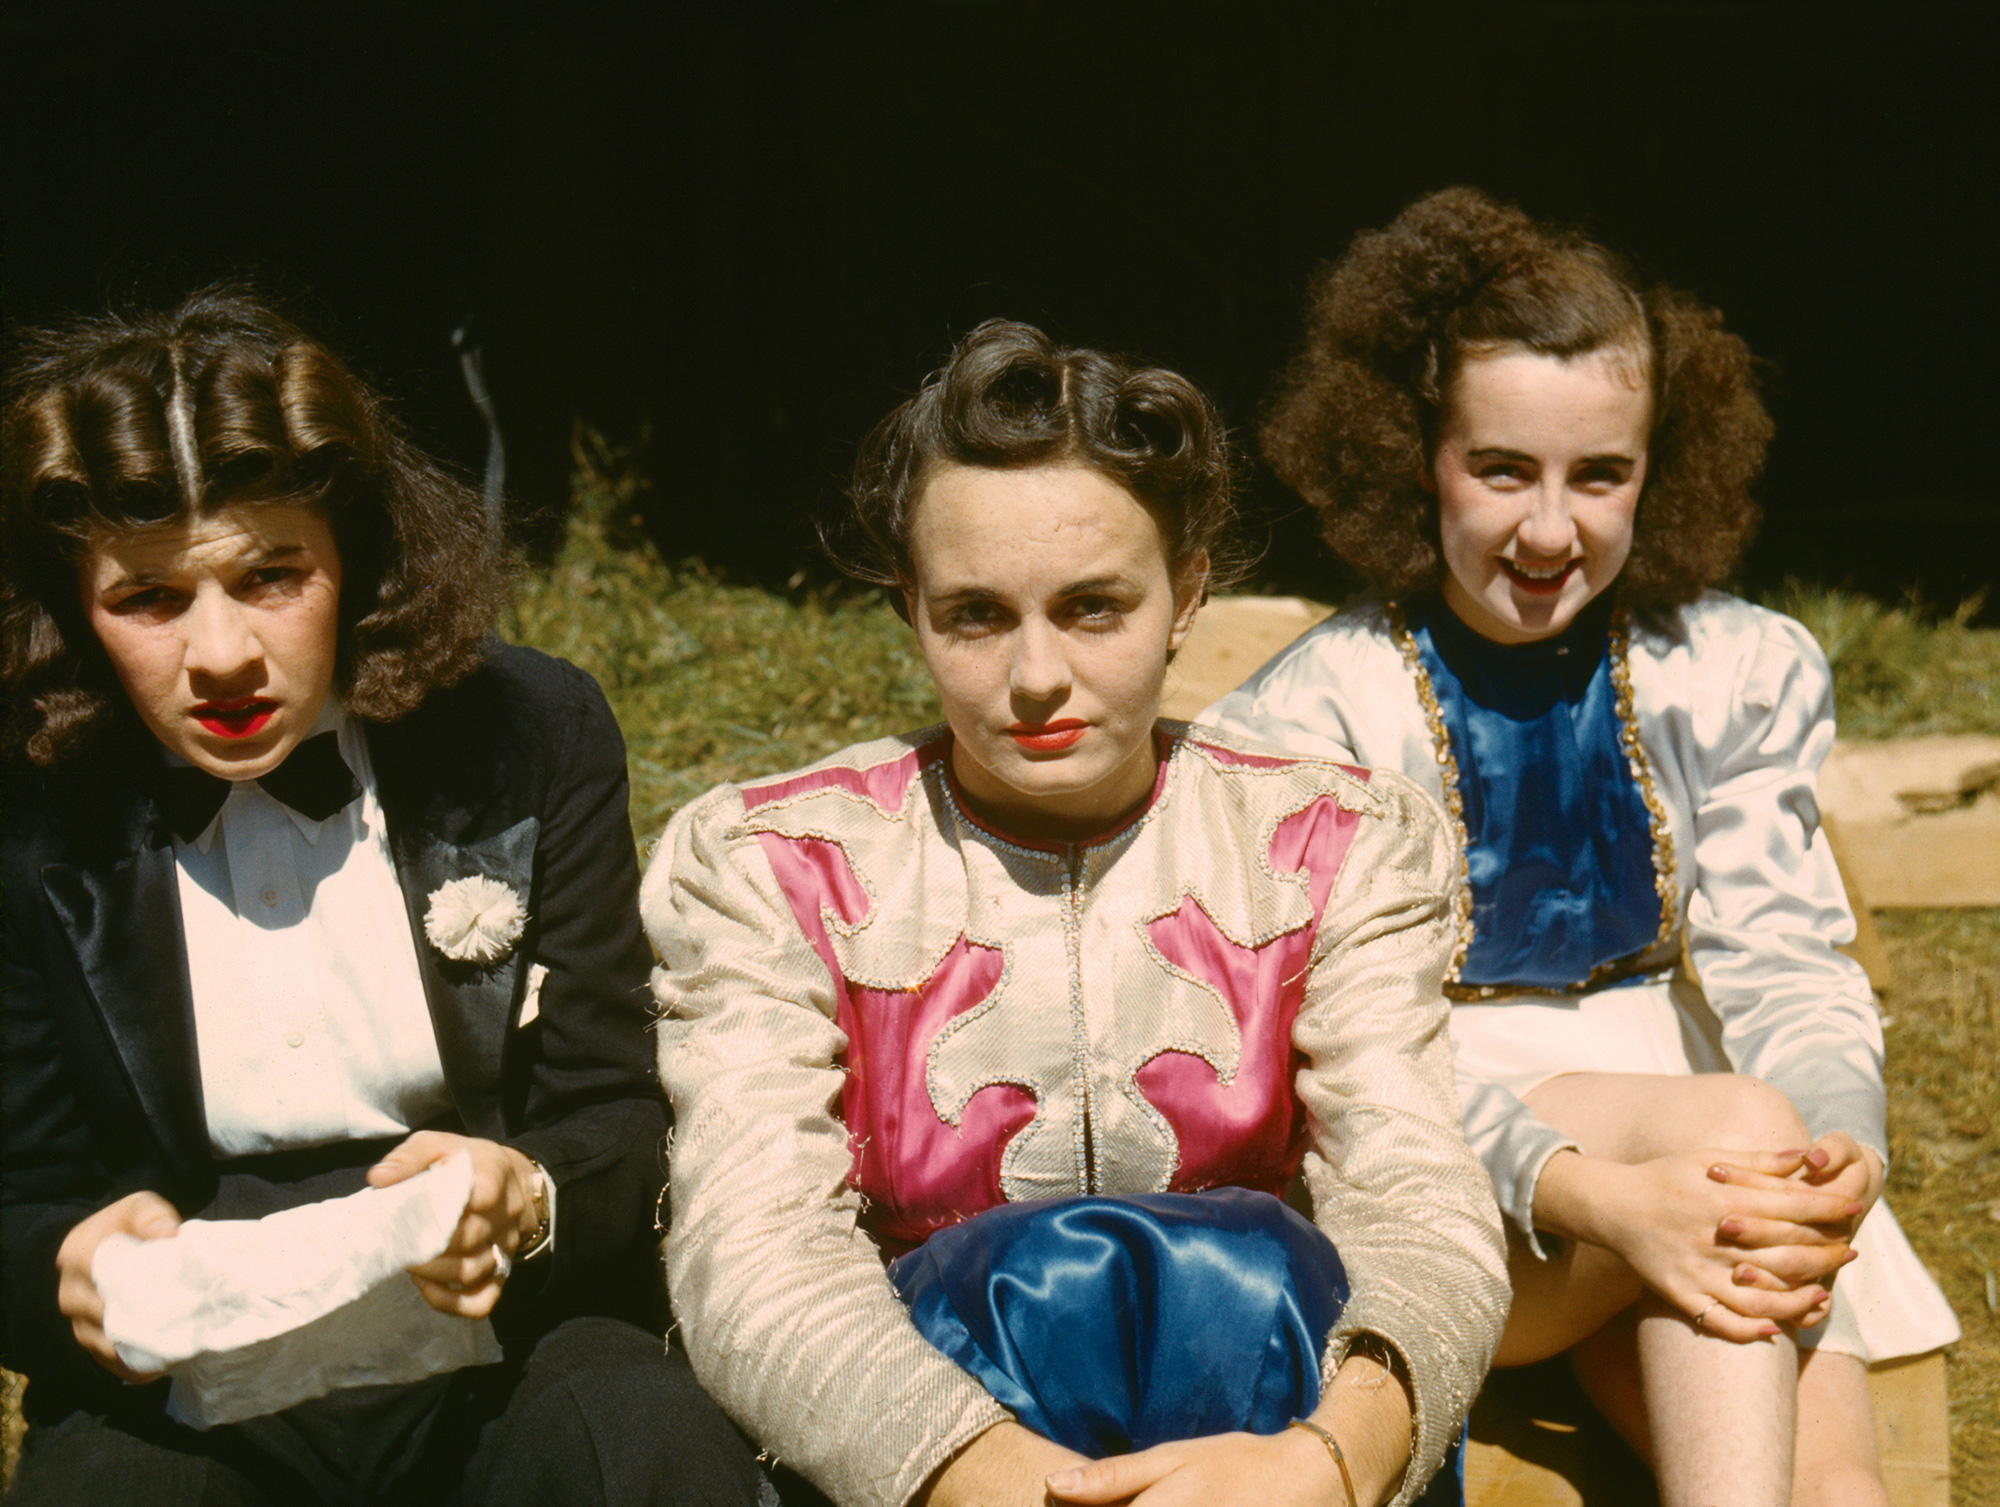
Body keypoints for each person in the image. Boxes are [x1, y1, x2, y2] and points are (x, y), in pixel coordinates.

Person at [643, 319, 1508, 1507]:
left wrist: (1329, 1463)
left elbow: (1420, 1202)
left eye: (1093, 608)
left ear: (1186, 591)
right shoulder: (775, 865)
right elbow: (750, 1251)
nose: (1037, 674)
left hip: (1268, 1441)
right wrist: (973, 1473)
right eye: (976, 615)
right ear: (909, 610)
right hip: (913, 1458)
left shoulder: (1332, 843)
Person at [1200, 188, 1960, 1507]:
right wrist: (1614, 1202)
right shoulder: (1319, 714)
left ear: (1659, 470)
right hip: (1454, 1162)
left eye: (1599, 475)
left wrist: (1847, 1143)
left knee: (1841, 1488)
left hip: (1721, 1158)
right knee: (1736, 1128)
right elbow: (1349, 1058)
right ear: (1410, 454)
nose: (1551, 530)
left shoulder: (1727, 668)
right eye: (1500, 469)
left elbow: (1785, 960)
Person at [0, 288, 761, 1505]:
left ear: (354, 555)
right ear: (69, 609)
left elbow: (614, 1105)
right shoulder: (26, 804)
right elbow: (18, 1190)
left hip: (502, 1327)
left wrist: (529, 1196)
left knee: (647, 1454)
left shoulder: (528, 731)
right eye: (147, 598)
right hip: (187, 1368)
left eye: (271, 576)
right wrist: (63, 1267)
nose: (222, 656)